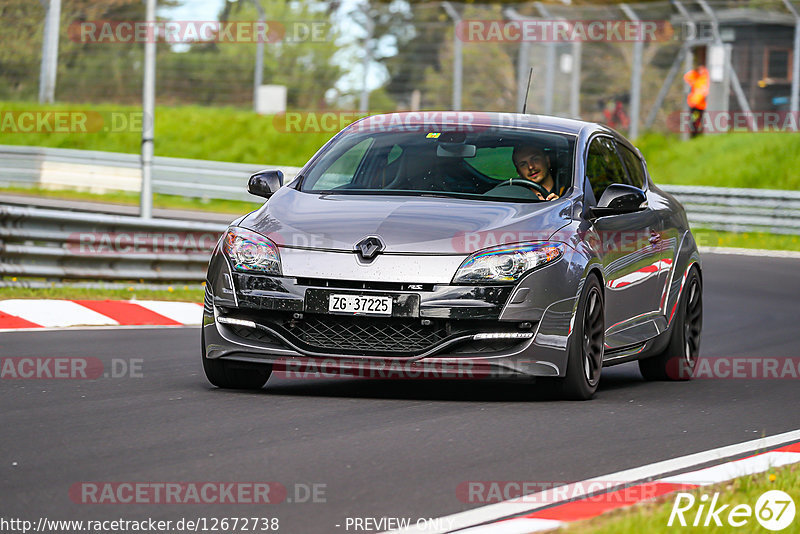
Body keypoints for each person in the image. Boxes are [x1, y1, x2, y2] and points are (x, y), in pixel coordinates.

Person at [684, 64, 709, 137]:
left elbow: (703, 92)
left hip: (701, 105)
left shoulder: (705, 79)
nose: (700, 71)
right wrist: (695, 71)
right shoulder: (696, 77)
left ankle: (699, 134)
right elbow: (687, 76)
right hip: (694, 104)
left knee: (700, 120)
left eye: (702, 69)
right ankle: (694, 134)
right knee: (694, 120)